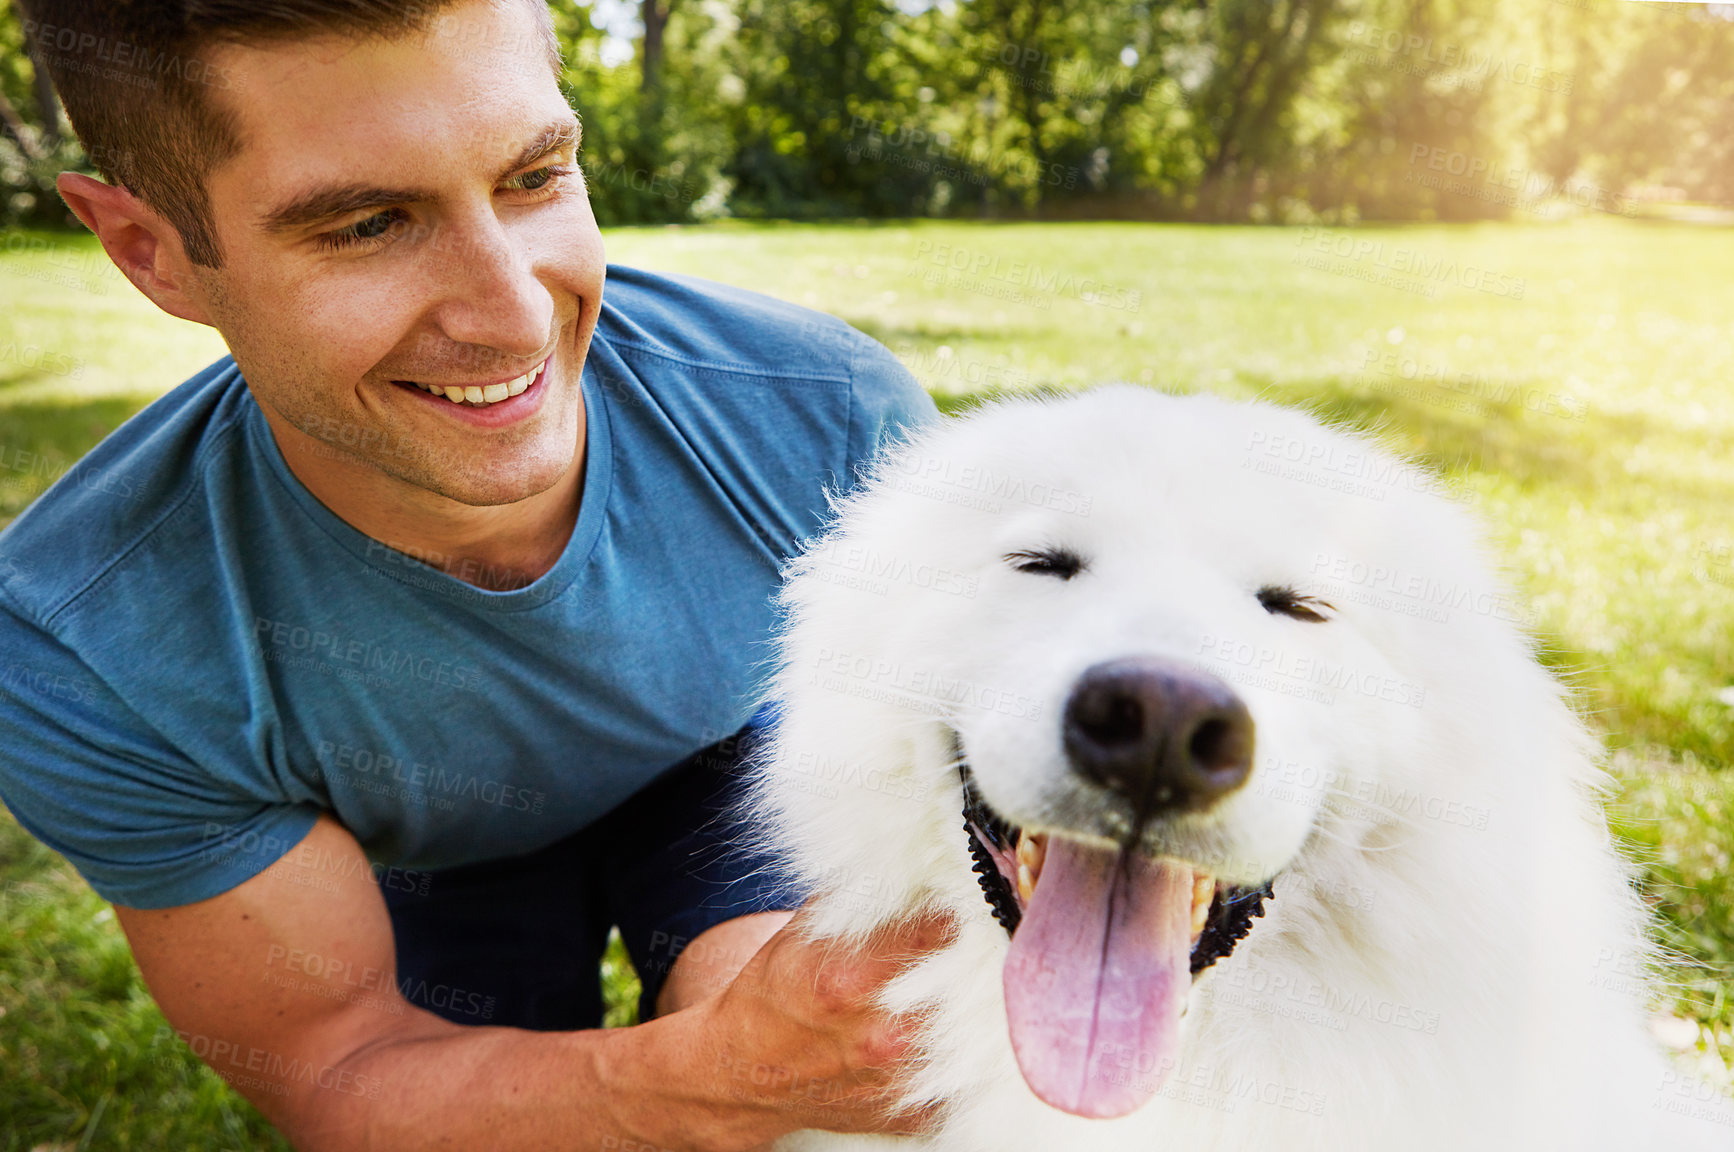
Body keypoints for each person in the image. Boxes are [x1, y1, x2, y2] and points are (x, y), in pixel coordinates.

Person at [0, 1, 949, 1148]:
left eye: (534, 175)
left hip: (725, 750)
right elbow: (341, 1062)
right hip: (426, 849)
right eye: (365, 223)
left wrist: (769, 1048)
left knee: (823, 1065)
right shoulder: (80, 646)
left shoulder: (832, 423)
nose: (513, 317)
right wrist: (714, 1077)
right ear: (148, 248)